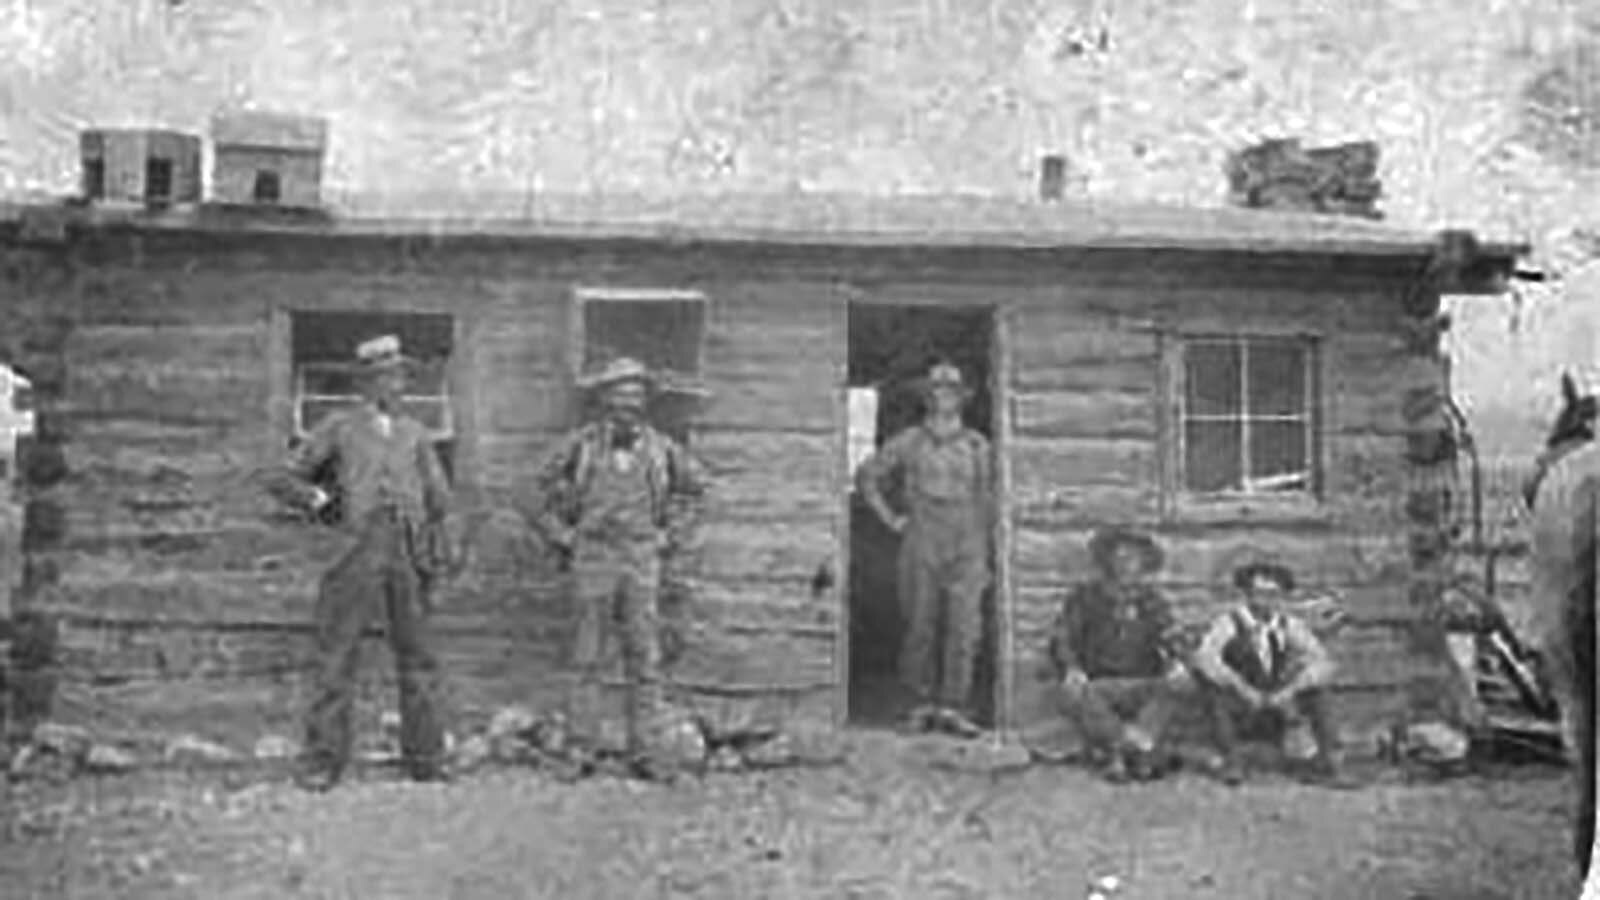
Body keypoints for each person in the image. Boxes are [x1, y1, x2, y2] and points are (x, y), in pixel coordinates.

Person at [265, 335, 453, 792]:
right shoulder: (339, 426)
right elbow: (281, 477)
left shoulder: (415, 433)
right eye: (388, 376)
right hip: (355, 546)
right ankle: (323, 761)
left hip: (408, 549)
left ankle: (425, 758)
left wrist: (437, 541)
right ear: (367, 383)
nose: (399, 384)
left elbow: (440, 499)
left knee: (418, 655)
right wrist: (322, 499)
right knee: (337, 652)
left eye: (402, 375)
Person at [531, 357, 708, 779]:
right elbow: (532, 490)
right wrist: (562, 535)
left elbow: (698, 492)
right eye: (619, 395)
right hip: (592, 558)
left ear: (645, 402)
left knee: (644, 658)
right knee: (586, 658)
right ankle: (580, 751)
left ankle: (645, 753)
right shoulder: (582, 446)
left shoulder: (662, 449)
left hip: (642, 560)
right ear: (604, 400)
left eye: (635, 395)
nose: (627, 403)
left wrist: (671, 536)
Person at [856, 361, 993, 733]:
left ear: (961, 399)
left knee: (965, 627)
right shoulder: (910, 440)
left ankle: (955, 706)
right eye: (936, 390)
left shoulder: (978, 445)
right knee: (920, 622)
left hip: (968, 538)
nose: (943, 397)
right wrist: (892, 519)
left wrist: (986, 551)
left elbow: (989, 499)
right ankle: (918, 703)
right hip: (922, 536)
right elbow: (868, 476)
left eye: (950, 391)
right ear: (926, 397)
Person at [1190, 561, 1358, 788]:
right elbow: (1205, 657)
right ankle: (1231, 761)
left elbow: (1321, 662)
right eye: (1258, 593)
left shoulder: (1289, 625)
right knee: (1214, 693)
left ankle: (1330, 762)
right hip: (1241, 702)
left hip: (1278, 701)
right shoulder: (1229, 623)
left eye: (1272, 594)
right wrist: (1239, 686)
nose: (1265, 600)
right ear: (1247, 594)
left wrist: (1290, 690)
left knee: (1319, 693)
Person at [1045, 527, 1186, 782]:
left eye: (1133, 559)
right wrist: (1072, 669)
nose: (1125, 566)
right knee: (1073, 695)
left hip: (1143, 682)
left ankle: (1121, 752)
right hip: (1098, 684)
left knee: (1179, 687)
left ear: (1143, 564)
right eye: (1119, 558)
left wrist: (1176, 664)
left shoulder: (1152, 601)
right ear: (1107, 562)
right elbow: (1062, 638)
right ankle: (1136, 748)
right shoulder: (1085, 597)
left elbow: (1171, 636)